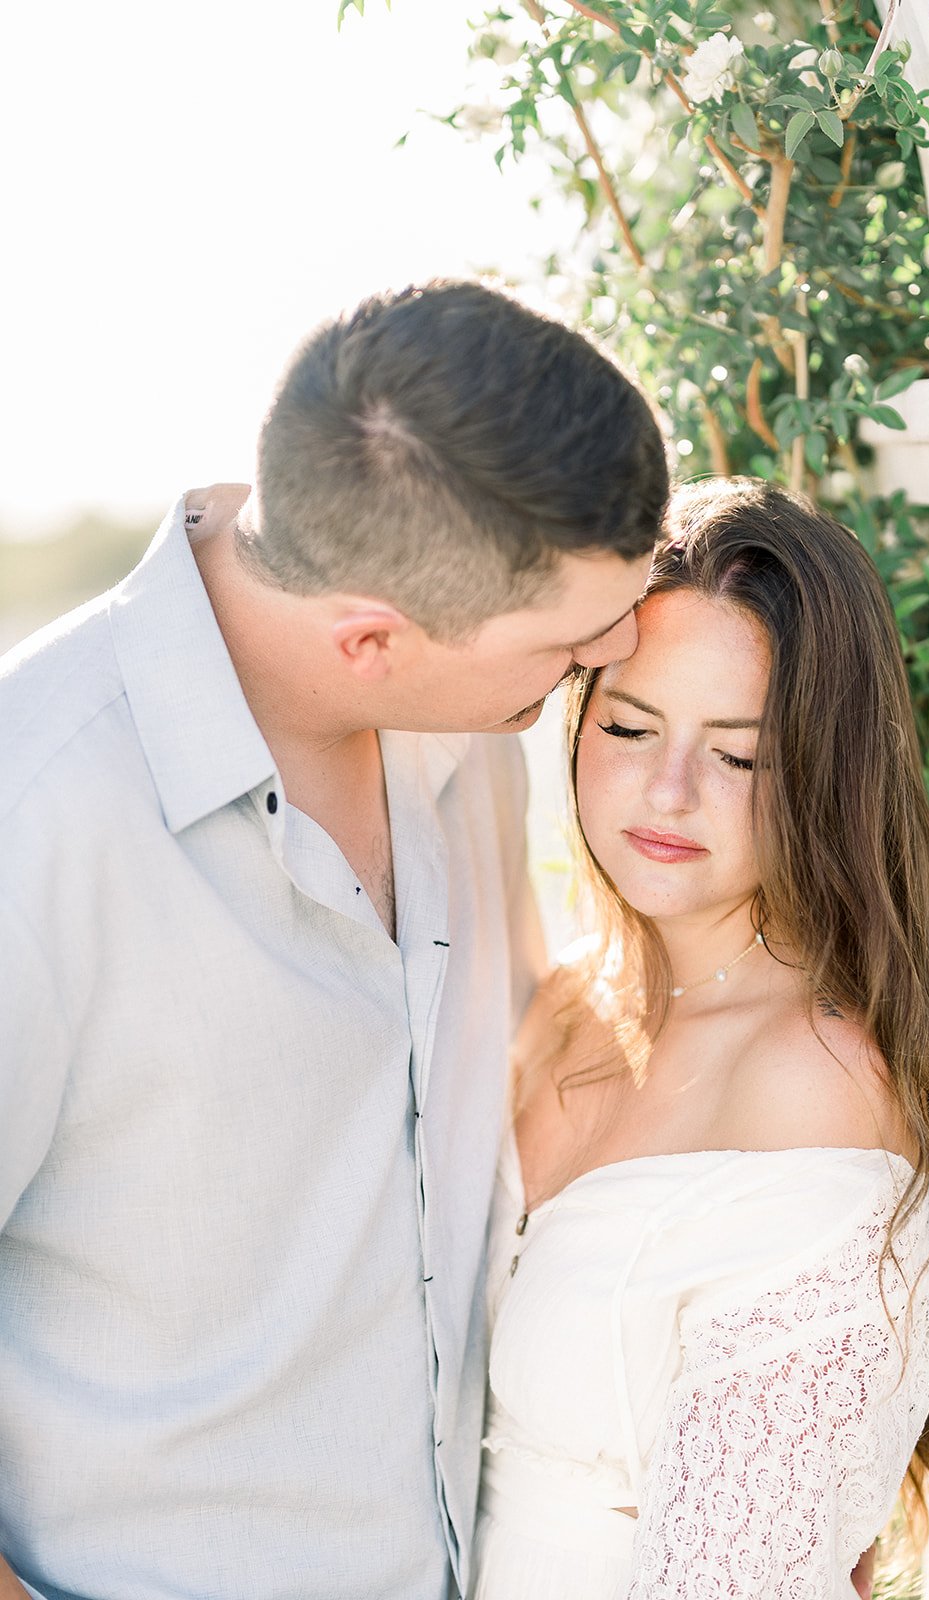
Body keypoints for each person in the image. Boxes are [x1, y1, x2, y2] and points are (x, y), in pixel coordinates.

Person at [0, 280, 669, 1600]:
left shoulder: (472, 741)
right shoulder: (36, 809)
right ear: (373, 639)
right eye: (571, 635)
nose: (621, 646)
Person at [472, 478, 929, 1599]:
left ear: (823, 775)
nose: (667, 792)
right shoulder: (565, 1000)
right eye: (628, 726)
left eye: (740, 754)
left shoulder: (816, 1087)